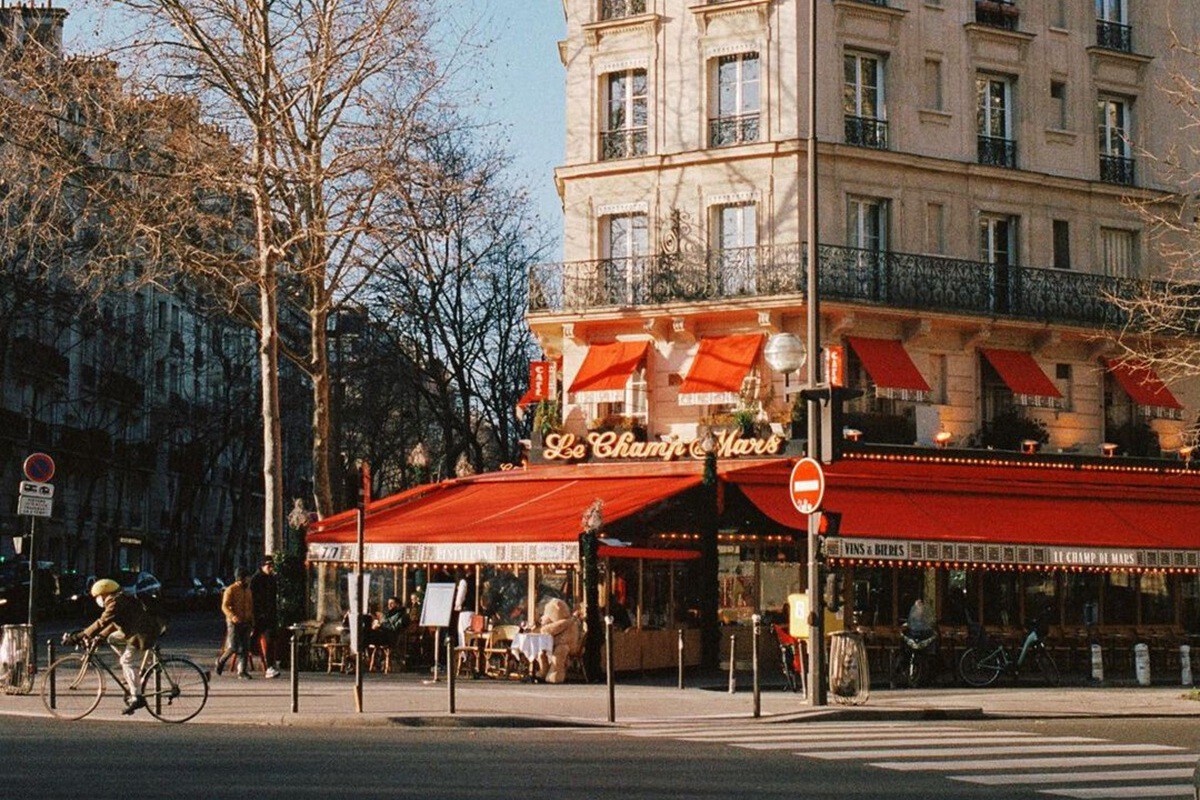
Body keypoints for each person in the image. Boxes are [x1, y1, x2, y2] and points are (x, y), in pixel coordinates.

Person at [70, 578, 165, 714]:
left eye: (97, 597)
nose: (97, 600)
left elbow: (102, 621)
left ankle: (137, 697)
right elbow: (114, 623)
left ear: (104, 594)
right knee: (113, 638)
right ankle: (138, 666)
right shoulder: (120, 598)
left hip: (141, 634)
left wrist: (79, 636)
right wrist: (101, 636)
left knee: (127, 661)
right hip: (138, 629)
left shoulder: (115, 602)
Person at [215, 566, 254, 679]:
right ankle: (220, 661)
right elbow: (224, 606)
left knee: (245, 647)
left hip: (246, 621)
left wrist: (252, 620)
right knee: (233, 647)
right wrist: (232, 616)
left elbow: (251, 606)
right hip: (234, 622)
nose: (249, 579)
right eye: (247, 577)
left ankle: (242, 671)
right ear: (241, 578)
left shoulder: (248, 590)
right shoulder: (231, 590)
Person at [535, 598, 581, 684]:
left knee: (560, 651)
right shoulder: (569, 620)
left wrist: (545, 625)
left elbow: (550, 629)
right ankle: (544, 672)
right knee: (541, 652)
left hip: (567, 646)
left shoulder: (566, 622)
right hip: (556, 644)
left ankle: (555, 675)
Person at [249, 556, 279, 678]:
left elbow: (273, 598)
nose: (270, 568)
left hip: (269, 616)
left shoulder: (272, 579)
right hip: (257, 616)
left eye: (272, 566)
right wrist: (255, 614)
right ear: (262, 566)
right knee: (248, 641)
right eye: (268, 566)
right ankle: (225, 659)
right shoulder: (256, 579)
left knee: (269, 640)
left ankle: (270, 667)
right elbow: (252, 599)